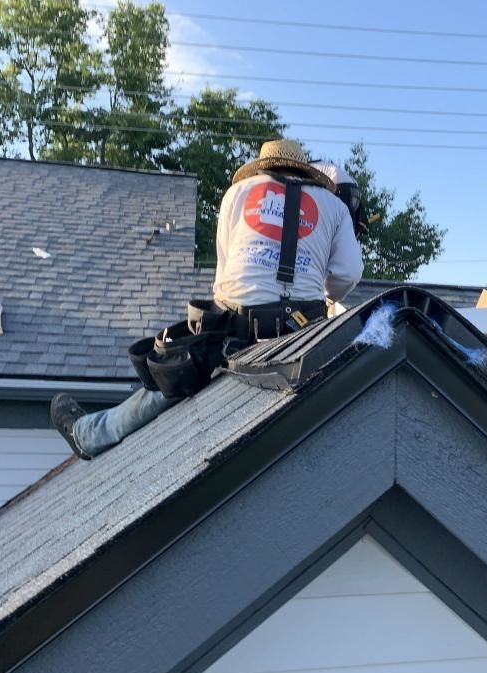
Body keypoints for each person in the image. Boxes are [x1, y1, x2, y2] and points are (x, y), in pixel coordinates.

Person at [50, 139, 365, 460]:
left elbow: (225, 280)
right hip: (304, 335)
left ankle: (88, 434)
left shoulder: (238, 193)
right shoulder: (334, 206)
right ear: (303, 169)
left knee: (168, 384)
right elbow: (346, 277)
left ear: (264, 165)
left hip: (241, 330)